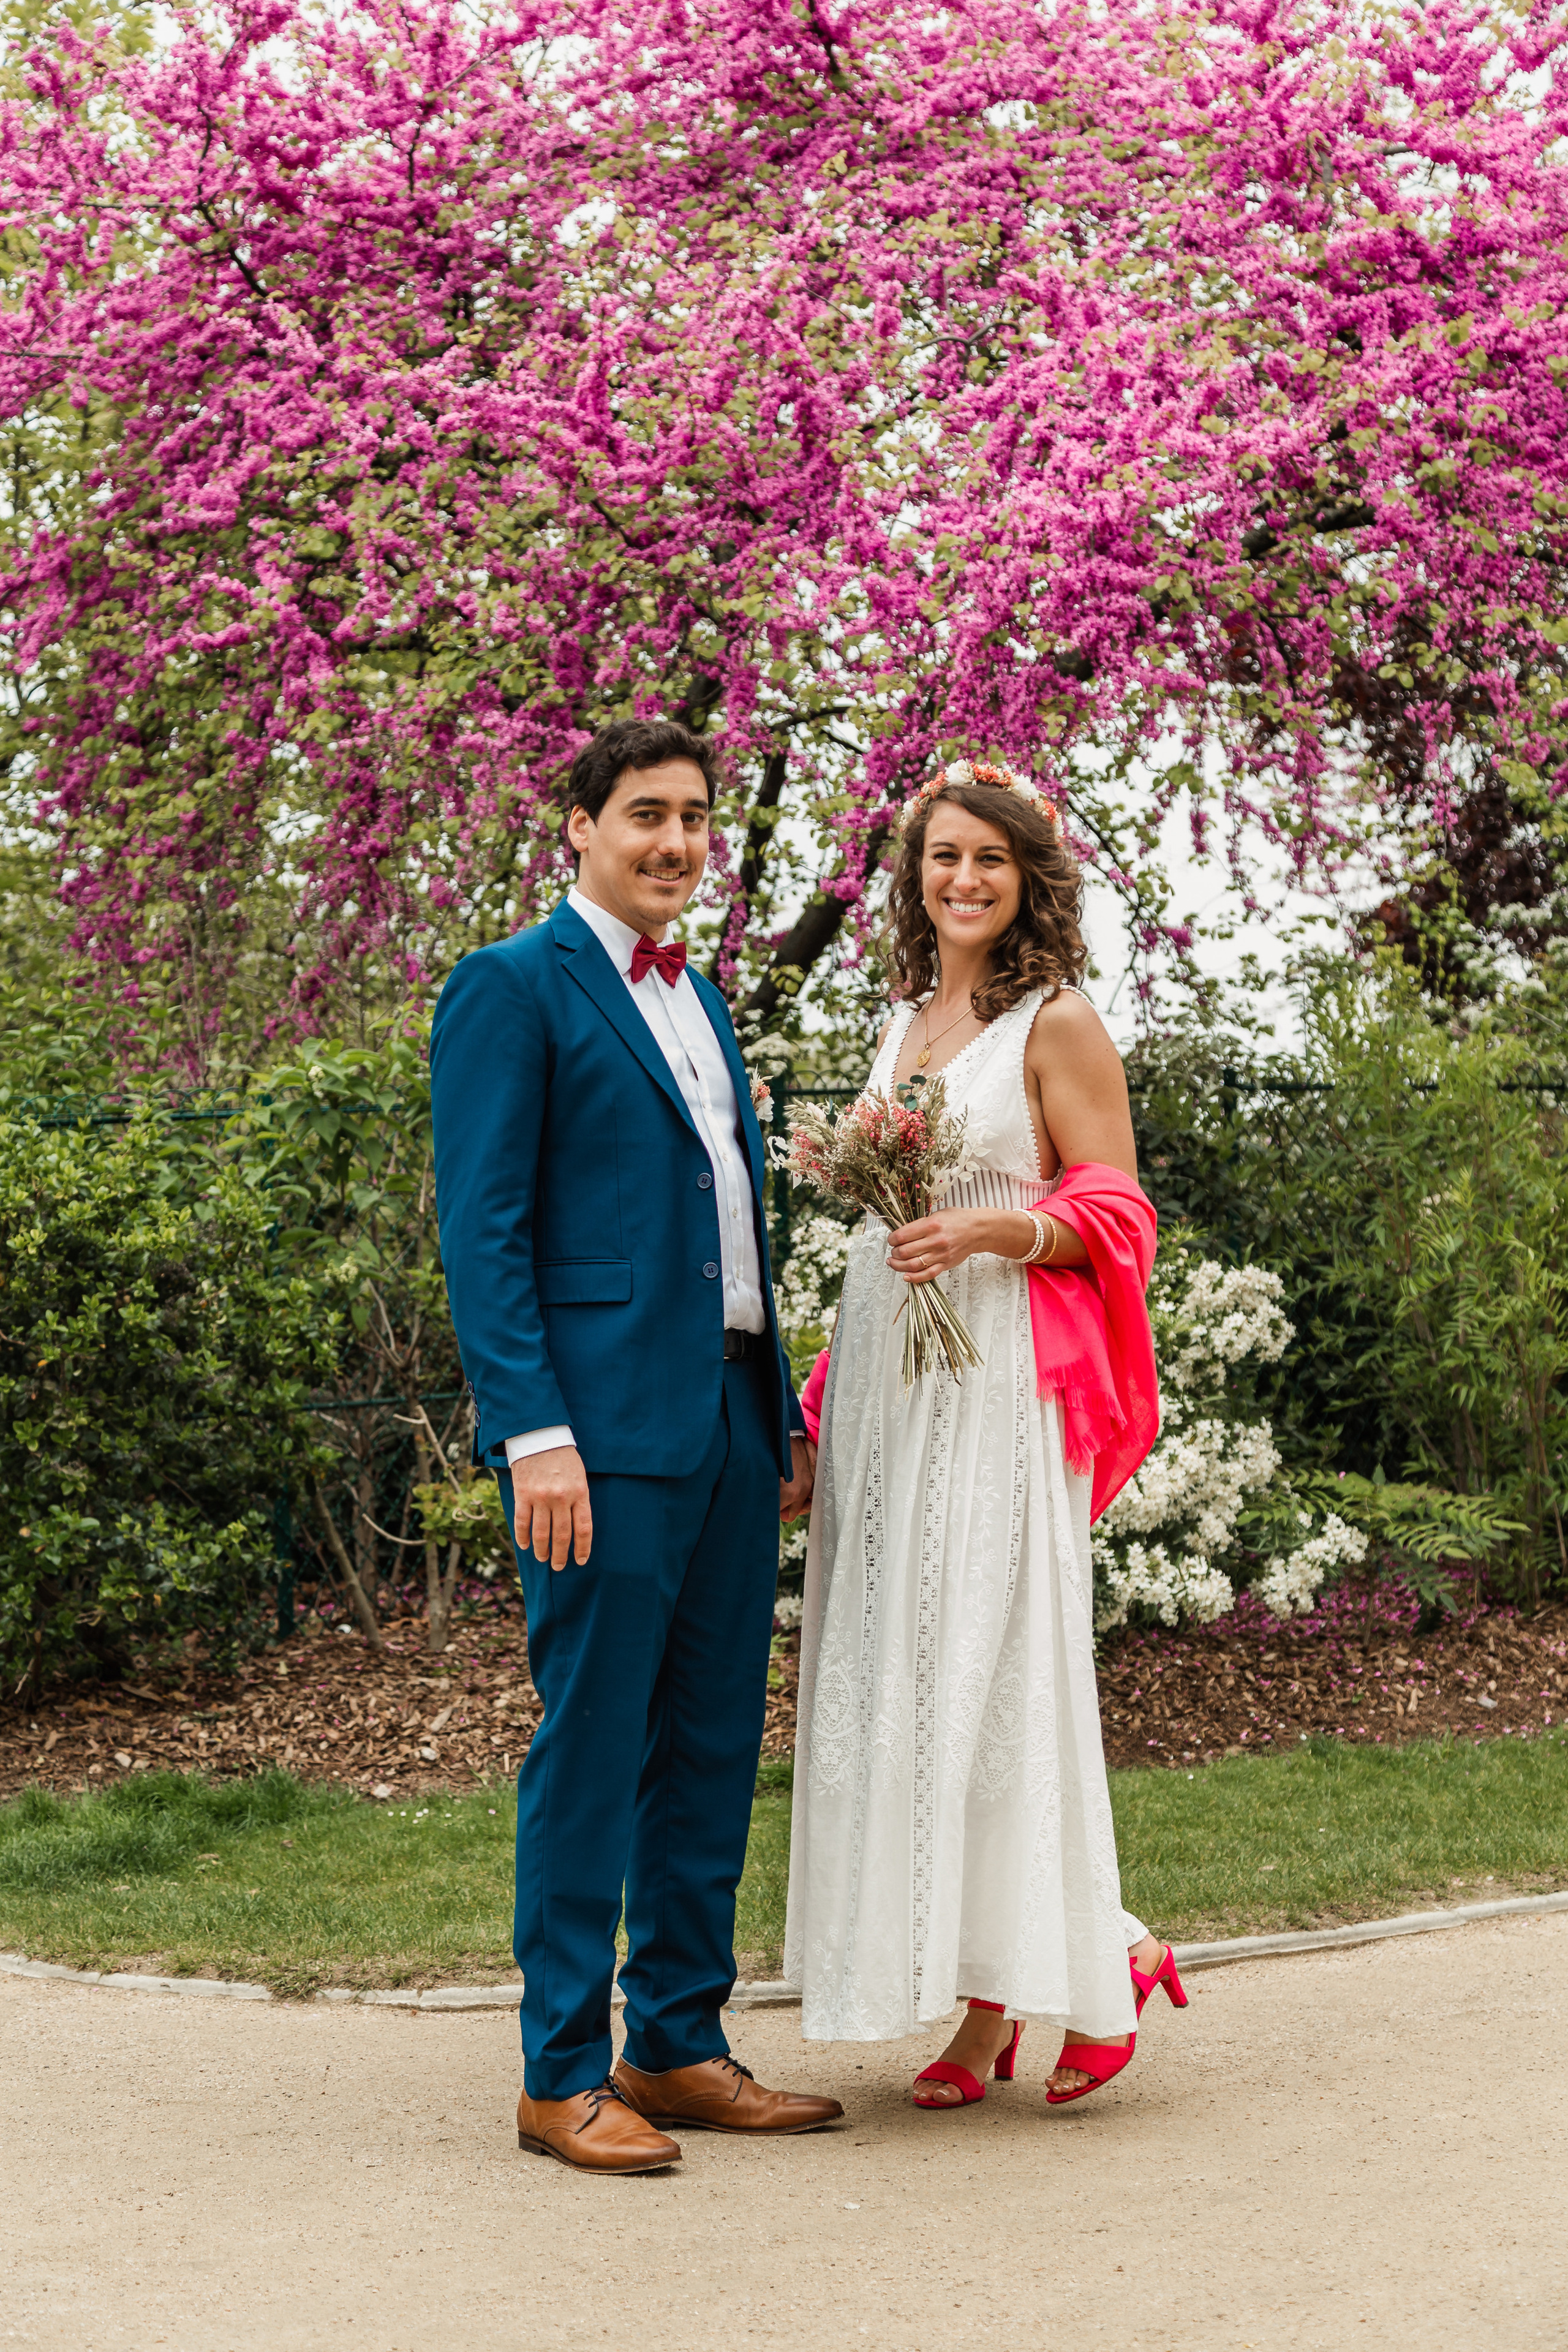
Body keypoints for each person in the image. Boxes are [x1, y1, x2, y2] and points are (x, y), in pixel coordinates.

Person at [431, 717, 842, 2174]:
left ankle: (674, 2041)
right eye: (646, 815)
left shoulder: (708, 1001)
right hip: (593, 1440)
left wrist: (777, 1408)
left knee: (714, 1741)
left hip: (729, 1419)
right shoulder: (509, 989)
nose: (674, 842)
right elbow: (484, 1232)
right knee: (594, 1741)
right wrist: (531, 1431)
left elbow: (726, 1222)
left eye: (694, 819)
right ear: (581, 829)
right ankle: (559, 2073)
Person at [783, 759, 1185, 2109]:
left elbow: (1118, 1213)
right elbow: (882, 1232)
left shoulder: (1056, 1023)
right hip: (897, 1390)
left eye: (988, 862)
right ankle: (991, 2003)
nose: (960, 879)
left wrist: (998, 1230)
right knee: (910, 1688)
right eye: (941, 857)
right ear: (914, 874)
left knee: (996, 1678)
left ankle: (1087, 1963)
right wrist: (821, 1408)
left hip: (1001, 1382)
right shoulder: (901, 1019)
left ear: (1028, 881)